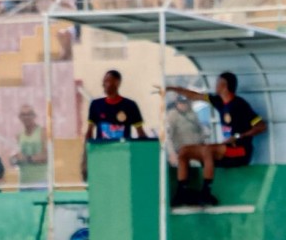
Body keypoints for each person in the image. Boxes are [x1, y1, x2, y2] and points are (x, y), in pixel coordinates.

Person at [167, 72, 266, 206]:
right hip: (225, 149)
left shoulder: (239, 104)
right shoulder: (218, 101)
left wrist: (239, 136)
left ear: (224, 85)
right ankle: (181, 192)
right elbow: (195, 96)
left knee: (208, 150)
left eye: (218, 82)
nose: (215, 85)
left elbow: (261, 126)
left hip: (241, 151)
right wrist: (173, 88)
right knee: (185, 151)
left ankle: (206, 193)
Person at [83, 70, 145, 178]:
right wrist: (85, 158)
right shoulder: (96, 105)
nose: (103, 84)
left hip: (122, 156)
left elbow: (141, 133)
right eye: (103, 81)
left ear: (117, 82)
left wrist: (143, 157)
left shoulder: (130, 105)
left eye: (107, 81)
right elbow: (89, 132)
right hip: (101, 154)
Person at [12, 105, 48, 190]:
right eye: (23, 115)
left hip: (40, 182)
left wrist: (27, 158)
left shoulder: (42, 132)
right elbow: (17, 156)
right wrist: (15, 159)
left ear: (34, 116)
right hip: (24, 182)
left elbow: (46, 156)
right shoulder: (19, 136)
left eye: (29, 114)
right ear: (20, 117)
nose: (26, 118)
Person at [166, 94, 206, 165]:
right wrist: (172, 153)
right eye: (181, 103)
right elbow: (168, 137)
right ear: (177, 103)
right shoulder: (172, 116)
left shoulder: (193, 114)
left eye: (185, 102)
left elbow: (200, 132)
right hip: (180, 153)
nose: (183, 105)